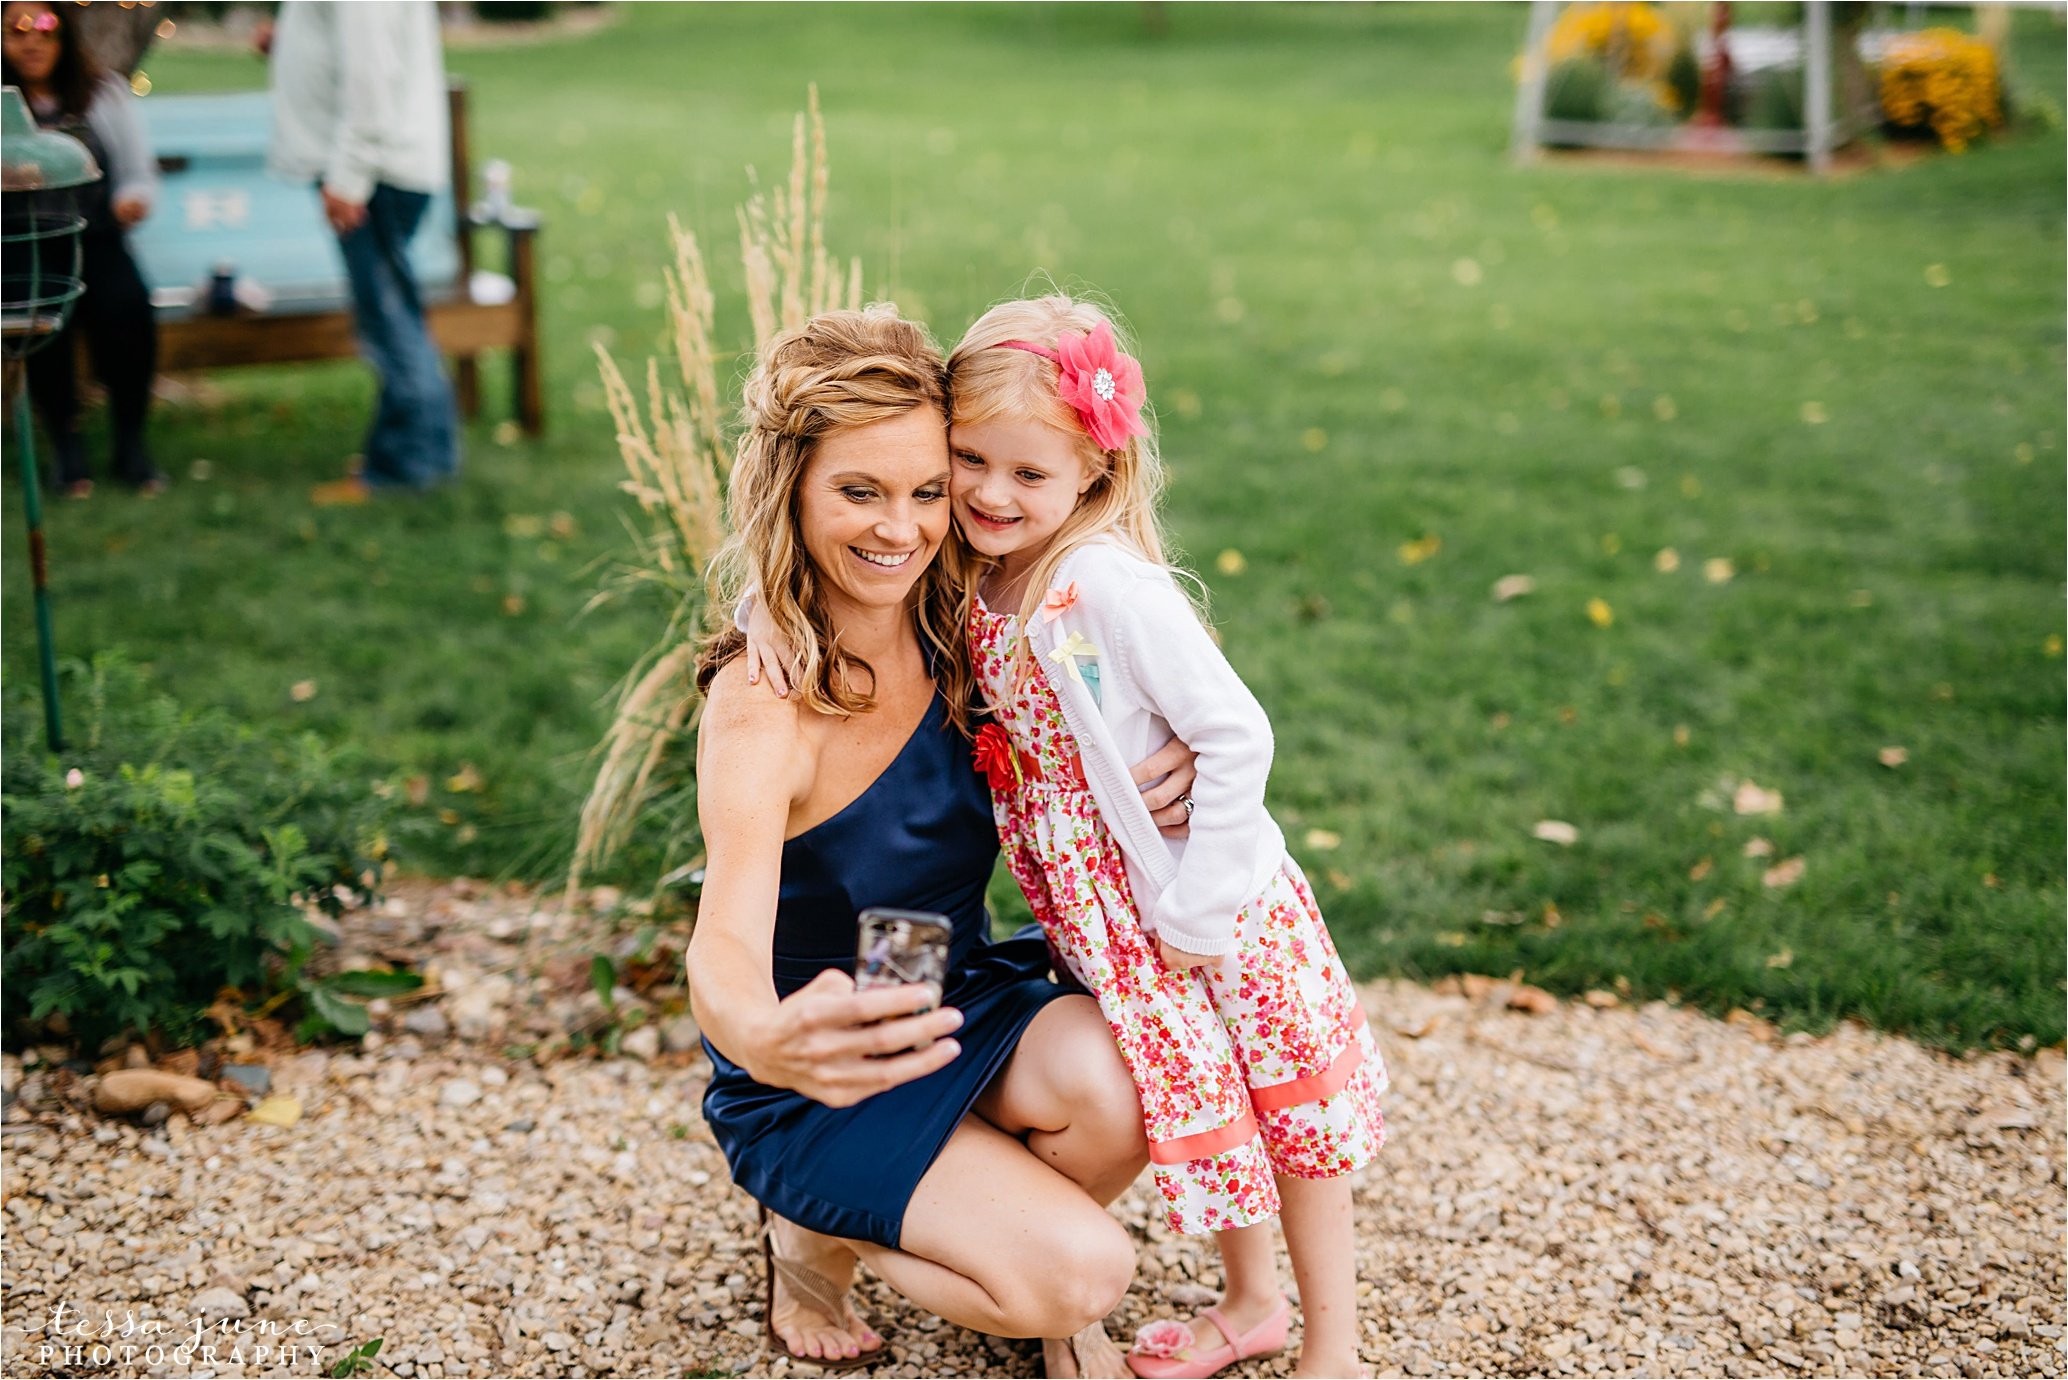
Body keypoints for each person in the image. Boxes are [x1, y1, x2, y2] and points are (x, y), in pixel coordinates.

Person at [747, 294, 1387, 1380]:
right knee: (1204, 1091)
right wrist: (769, 602)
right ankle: (1245, 1301)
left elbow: (1234, 733)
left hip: (1197, 907)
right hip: (1102, 916)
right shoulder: (970, 574)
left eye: (1029, 473)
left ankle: (1333, 1342)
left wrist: (1198, 904)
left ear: (1093, 473)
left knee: (1289, 1115)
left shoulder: (1097, 583)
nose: (990, 494)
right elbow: (847, 571)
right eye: (969, 464)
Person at [690, 306, 1204, 1379]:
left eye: (928, 490)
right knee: (1084, 1276)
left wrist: (1183, 753)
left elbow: (1130, 666)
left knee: (1128, 1082)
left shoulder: (958, 617)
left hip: (955, 995)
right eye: (858, 492)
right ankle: (816, 1235)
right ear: (791, 491)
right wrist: (768, 1036)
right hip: (816, 1072)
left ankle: (980, 1216)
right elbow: (722, 943)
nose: (901, 527)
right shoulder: (764, 702)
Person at [265, 0, 459, 502]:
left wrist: (349, 176)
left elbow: (372, 75)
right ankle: (428, 457)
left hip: (373, 174)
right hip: (378, 168)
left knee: (388, 321)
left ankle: (402, 468)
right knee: (397, 315)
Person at [3, 0, 164, 498]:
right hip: (23, 247)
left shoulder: (103, 94)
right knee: (44, 324)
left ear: (64, 38)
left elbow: (138, 174)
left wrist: (132, 202)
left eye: (45, 28)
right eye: (17, 29)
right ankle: (66, 448)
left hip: (97, 237)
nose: (32, 40)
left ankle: (131, 443)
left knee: (129, 311)